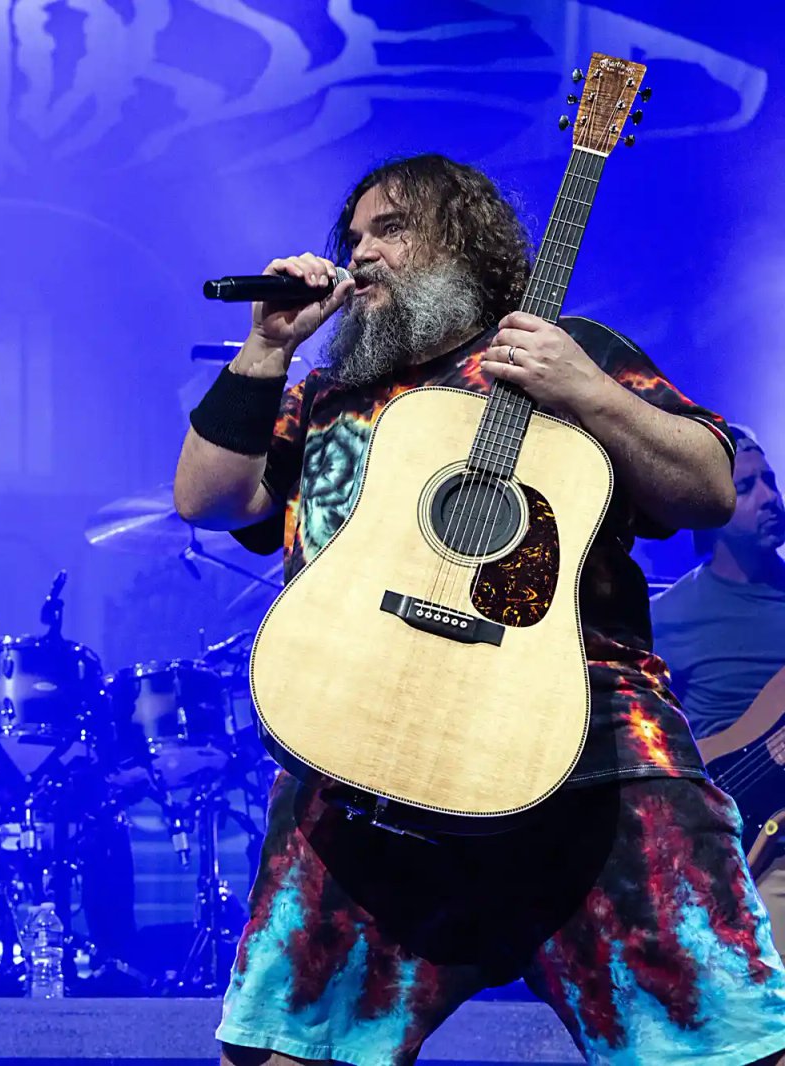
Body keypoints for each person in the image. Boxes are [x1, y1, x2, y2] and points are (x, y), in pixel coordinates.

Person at [174, 154, 785, 1065]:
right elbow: (207, 500)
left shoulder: (575, 356)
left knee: (723, 1045)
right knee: (282, 1052)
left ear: (463, 244)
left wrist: (585, 390)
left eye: (391, 228)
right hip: (364, 757)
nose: (361, 252)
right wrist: (268, 347)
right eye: (354, 236)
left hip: (589, 755)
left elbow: (707, 488)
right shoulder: (325, 397)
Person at [652, 428, 785, 952]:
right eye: (748, 487)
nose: (770, 498)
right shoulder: (667, 617)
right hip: (730, 844)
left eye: (770, 481)